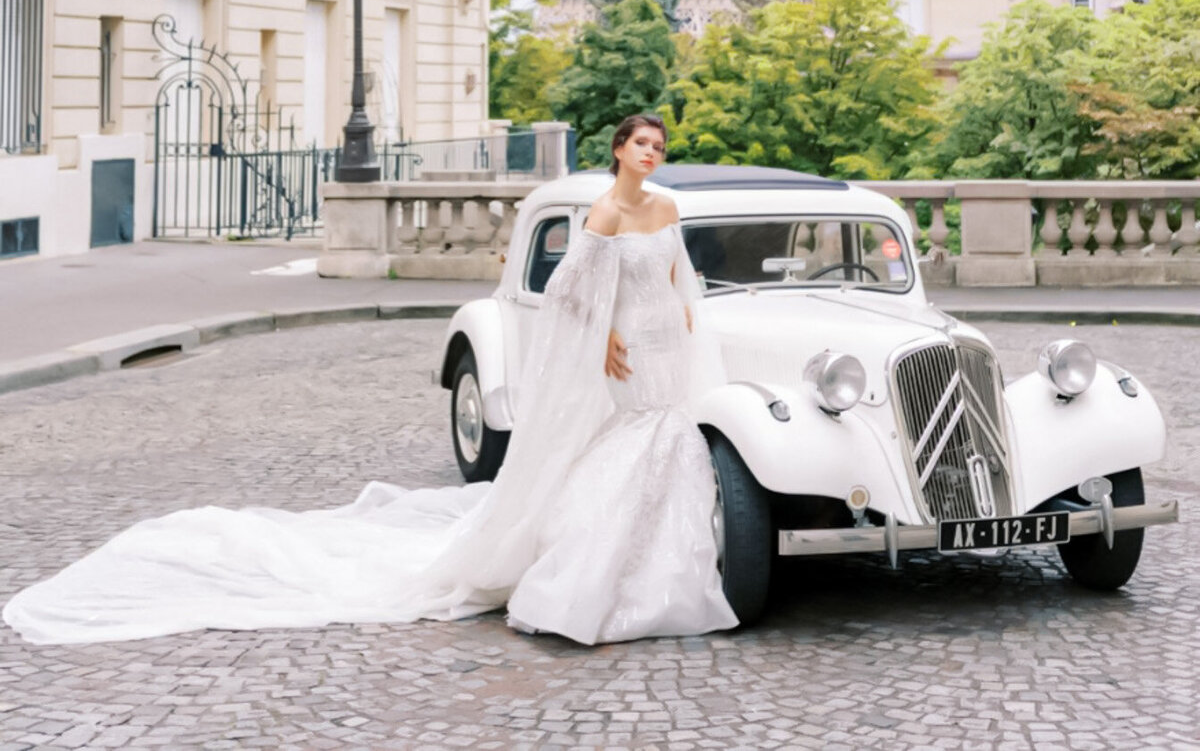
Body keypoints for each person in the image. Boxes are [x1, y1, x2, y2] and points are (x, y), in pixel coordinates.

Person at [3, 113, 736, 647]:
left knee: (672, 443)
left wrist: (687, 320)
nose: (652, 153)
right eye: (642, 143)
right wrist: (606, 332)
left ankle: (666, 568)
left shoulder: (667, 206)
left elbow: (678, 273)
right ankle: (595, 573)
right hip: (630, 350)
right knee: (635, 445)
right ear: (618, 150)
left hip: (669, 339)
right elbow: (576, 288)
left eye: (660, 145)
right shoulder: (605, 210)